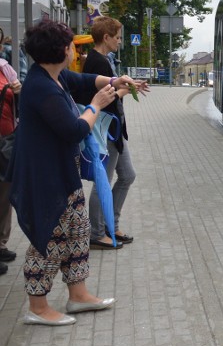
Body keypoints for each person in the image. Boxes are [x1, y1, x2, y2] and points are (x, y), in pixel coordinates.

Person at [9, 20, 148, 326]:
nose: (75, 49)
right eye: (70, 44)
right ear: (59, 49)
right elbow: (73, 130)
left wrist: (117, 81)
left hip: (63, 172)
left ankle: (78, 294)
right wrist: (96, 106)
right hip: (45, 177)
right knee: (49, 239)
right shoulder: (41, 87)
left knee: (78, 231)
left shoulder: (55, 77)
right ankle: (38, 306)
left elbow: (85, 81)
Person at [74, 17, 136, 249]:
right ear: (106, 37)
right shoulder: (98, 62)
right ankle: (97, 233)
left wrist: (127, 87)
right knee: (103, 181)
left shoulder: (101, 60)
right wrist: (124, 92)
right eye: (118, 37)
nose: (120, 41)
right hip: (106, 131)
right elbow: (105, 100)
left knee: (128, 175)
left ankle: (112, 224)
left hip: (114, 131)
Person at [0, 54, 22, 275]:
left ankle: (1, 244)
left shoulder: (5, 68)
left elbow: (18, 103)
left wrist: (17, 91)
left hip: (5, 140)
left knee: (5, 194)